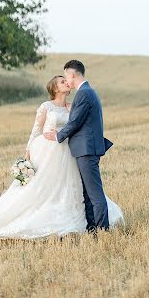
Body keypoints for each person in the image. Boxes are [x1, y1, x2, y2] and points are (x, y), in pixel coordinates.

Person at [0, 70, 123, 241]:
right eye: (61, 81)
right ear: (54, 88)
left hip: (68, 150)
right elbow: (36, 130)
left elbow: (77, 125)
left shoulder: (72, 106)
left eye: (66, 80)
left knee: (73, 186)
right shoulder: (46, 107)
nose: (66, 82)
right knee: (44, 186)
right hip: (48, 150)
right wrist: (28, 151)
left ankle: (86, 222)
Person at [44, 59, 114, 232]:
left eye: (67, 76)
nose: (67, 80)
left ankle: (102, 230)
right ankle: (92, 228)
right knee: (88, 194)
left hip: (87, 149)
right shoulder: (89, 92)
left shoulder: (84, 93)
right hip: (86, 148)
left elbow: (75, 122)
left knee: (94, 194)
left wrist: (58, 135)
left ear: (72, 74)